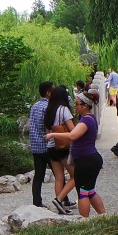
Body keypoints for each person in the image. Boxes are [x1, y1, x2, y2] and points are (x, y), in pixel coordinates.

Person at [46, 92, 106, 217]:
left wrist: (53, 134)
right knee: (89, 190)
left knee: (83, 192)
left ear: (85, 106)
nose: (75, 106)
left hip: (86, 160)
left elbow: (73, 135)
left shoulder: (86, 120)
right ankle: (103, 215)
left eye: (78, 104)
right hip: (91, 159)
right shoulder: (90, 118)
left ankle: (84, 221)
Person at [44, 85, 77, 214]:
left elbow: (48, 130)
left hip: (51, 147)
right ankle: (59, 200)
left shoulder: (49, 110)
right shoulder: (64, 110)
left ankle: (60, 206)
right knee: (75, 176)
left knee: (59, 178)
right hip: (63, 148)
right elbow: (72, 129)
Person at [28, 81, 54, 208]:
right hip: (47, 145)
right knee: (59, 175)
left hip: (35, 146)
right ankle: (63, 199)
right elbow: (48, 126)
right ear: (48, 93)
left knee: (38, 176)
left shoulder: (34, 106)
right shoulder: (48, 107)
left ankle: (37, 203)